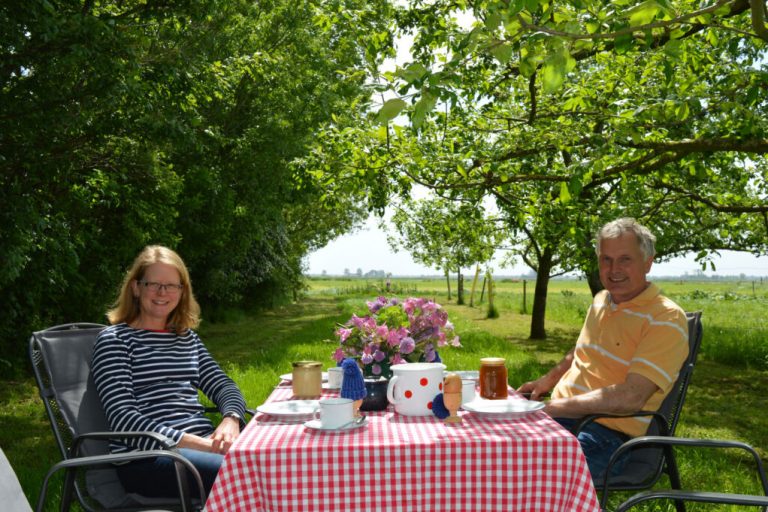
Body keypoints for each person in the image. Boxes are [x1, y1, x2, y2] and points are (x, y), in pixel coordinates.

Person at [517, 218, 689, 482]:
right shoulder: (601, 300)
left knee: (523, 475)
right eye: (606, 259)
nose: (614, 269)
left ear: (648, 262)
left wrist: (550, 408)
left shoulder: (665, 318)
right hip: (559, 419)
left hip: (605, 435)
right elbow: (581, 351)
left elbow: (629, 398)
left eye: (625, 259)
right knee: (486, 447)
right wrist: (546, 381)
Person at [92, 245, 247, 499]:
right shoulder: (115, 341)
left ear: (182, 291)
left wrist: (231, 419)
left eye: (172, 285)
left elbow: (223, 386)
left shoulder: (186, 339)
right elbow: (124, 420)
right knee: (245, 472)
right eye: (153, 284)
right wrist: (203, 446)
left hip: (201, 448)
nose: (162, 292)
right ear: (135, 287)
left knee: (272, 459)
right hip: (148, 460)